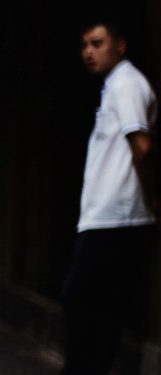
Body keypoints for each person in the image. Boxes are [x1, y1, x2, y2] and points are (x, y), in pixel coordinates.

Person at [62, 20, 157, 375]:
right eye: (84, 44)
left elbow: (142, 146)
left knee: (85, 306)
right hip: (106, 218)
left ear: (120, 45)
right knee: (95, 311)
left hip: (117, 220)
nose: (88, 51)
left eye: (97, 43)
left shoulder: (127, 84)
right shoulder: (114, 86)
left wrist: (149, 198)